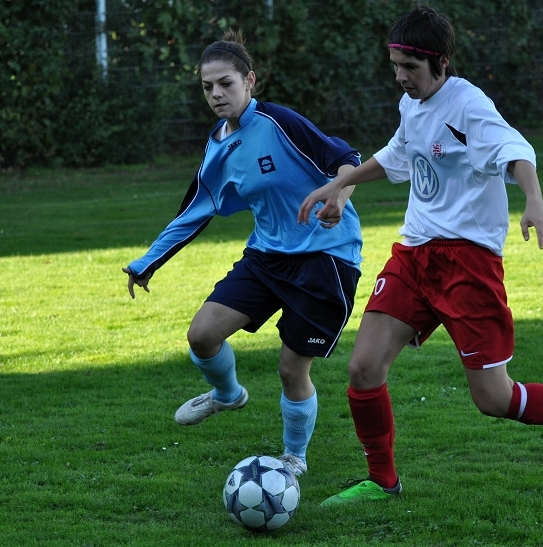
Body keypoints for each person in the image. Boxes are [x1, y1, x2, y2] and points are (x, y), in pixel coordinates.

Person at [298, 5, 543, 504]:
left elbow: (515, 149)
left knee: (494, 399)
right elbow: (397, 155)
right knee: (364, 367)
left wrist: (534, 202)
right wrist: (340, 182)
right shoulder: (413, 104)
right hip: (414, 254)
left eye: (410, 68)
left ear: (440, 63)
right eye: (395, 66)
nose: (400, 77)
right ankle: (383, 481)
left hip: (468, 264)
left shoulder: (468, 104)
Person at [123, 29, 363, 477]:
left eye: (225, 84)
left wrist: (339, 198)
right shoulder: (218, 146)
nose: (216, 94)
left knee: (292, 370)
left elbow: (347, 159)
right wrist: (145, 263)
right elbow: (194, 211)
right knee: (202, 335)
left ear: (249, 81)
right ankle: (228, 394)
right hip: (267, 257)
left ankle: (294, 458)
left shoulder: (279, 122)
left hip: (325, 258)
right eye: (207, 87)